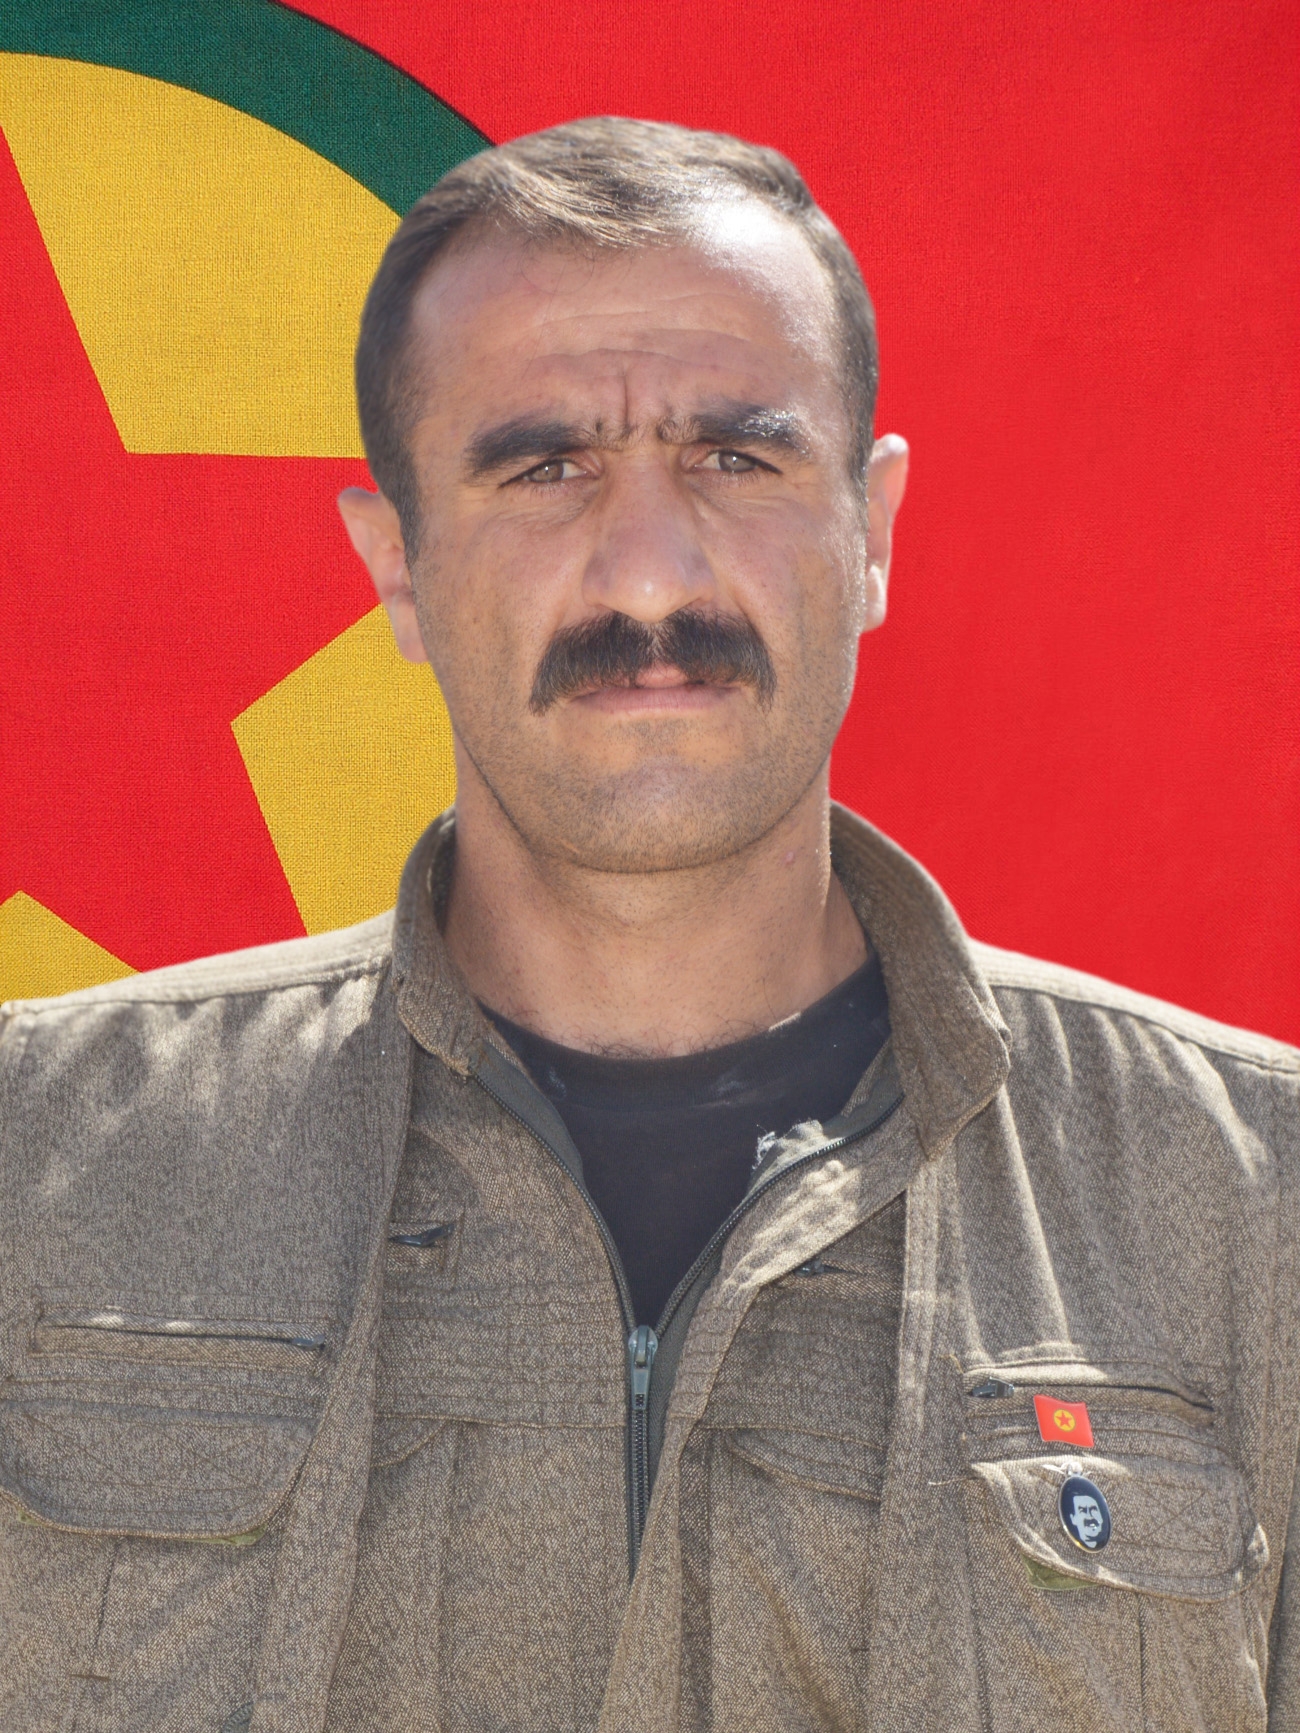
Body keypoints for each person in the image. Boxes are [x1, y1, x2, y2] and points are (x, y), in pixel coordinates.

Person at [1, 117, 1297, 1733]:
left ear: (873, 532)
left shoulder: (1254, 1206)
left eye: (737, 458)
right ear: (396, 564)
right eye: (542, 467)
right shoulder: (36, 1164)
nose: (648, 573)